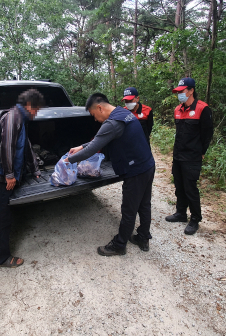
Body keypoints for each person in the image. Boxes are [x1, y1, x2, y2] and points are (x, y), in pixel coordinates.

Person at [67, 93, 155, 256]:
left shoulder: (112, 123)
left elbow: (93, 149)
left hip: (136, 170)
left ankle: (119, 245)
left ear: (99, 107)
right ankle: (143, 237)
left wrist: (68, 160)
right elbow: (100, 140)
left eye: (94, 115)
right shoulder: (124, 113)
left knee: (129, 210)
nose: (95, 119)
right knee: (144, 205)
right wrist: (81, 146)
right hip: (148, 165)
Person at [0, 89, 44, 268]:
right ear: (29, 105)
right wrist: (9, 175)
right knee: (0, 217)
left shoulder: (19, 118)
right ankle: (1, 258)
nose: (36, 114)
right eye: (36, 109)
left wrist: (35, 169)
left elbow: (26, 146)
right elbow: (7, 147)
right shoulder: (13, 117)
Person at [165, 77, 214, 235]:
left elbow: (207, 134)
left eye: (182, 91)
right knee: (179, 186)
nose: (180, 94)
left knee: (190, 188)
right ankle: (181, 213)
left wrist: (201, 152)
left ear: (191, 90)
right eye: (178, 92)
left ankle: (195, 219)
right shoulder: (178, 110)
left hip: (192, 157)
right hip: (178, 155)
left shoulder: (202, 109)